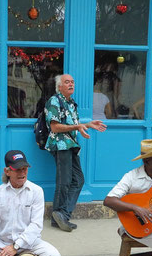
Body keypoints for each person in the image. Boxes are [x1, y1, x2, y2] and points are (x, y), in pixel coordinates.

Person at [45, 74, 107, 232]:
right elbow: (55, 127)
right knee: (64, 181)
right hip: (60, 144)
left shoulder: (71, 103)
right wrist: (77, 127)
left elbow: (74, 124)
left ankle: (62, 215)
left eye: (72, 82)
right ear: (60, 86)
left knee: (78, 180)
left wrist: (87, 125)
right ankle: (60, 215)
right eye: (67, 82)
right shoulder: (54, 101)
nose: (71, 84)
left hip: (71, 144)